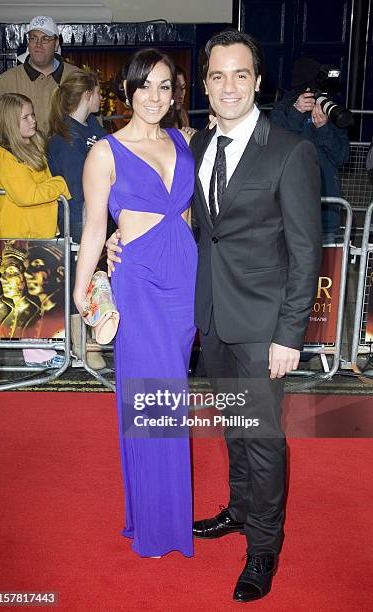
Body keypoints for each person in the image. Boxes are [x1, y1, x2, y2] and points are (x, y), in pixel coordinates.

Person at [107, 29, 322, 602]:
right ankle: (238, 508)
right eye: (217, 75)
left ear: (258, 81)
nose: (229, 86)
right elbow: (186, 224)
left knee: (265, 439)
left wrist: (289, 335)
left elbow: (307, 252)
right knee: (233, 429)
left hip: (263, 327)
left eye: (241, 75)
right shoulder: (193, 146)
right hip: (208, 319)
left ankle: (263, 547)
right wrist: (119, 244)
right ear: (203, 84)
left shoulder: (290, 152)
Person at [73, 49, 197, 558]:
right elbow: (95, 227)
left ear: (175, 93)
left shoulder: (185, 142)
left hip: (186, 282)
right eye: (144, 86)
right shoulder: (104, 152)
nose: (154, 97)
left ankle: (157, 512)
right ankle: (158, 526)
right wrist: (82, 291)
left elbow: (198, 215)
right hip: (139, 283)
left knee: (172, 402)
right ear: (126, 92)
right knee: (155, 401)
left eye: (164, 86)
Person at [0, 92, 70, 367]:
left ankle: (40, 350)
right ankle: (35, 355)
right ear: (11, 122)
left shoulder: (29, 146)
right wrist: (61, 185)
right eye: (25, 117)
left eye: (32, 114)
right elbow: (27, 194)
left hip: (36, 235)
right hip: (17, 237)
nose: (33, 120)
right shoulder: (5, 157)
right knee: (27, 296)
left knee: (39, 295)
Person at [48, 69, 106, 369]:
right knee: (78, 280)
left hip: (96, 215)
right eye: (98, 91)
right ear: (87, 95)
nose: (102, 97)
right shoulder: (64, 138)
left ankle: (90, 340)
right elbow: (74, 189)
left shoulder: (93, 126)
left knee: (95, 280)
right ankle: (82, 344)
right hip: (77, 219)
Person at [269, 57, 349, 244]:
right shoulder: (282, 112)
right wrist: (296, 113)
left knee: (328, 273)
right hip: (289, 215)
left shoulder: (332, 113)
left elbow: (342, 157)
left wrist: (324, 128)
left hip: (326, 214)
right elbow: (274, 148)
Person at [0, 15, 78, 144]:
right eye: (33, 38)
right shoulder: (6, 82)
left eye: (45, 39)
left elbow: (93, 122)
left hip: (68, 161)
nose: (38, 44)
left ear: (56, 43)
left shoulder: (75, 77)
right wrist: (16, 156)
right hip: (21, 161)